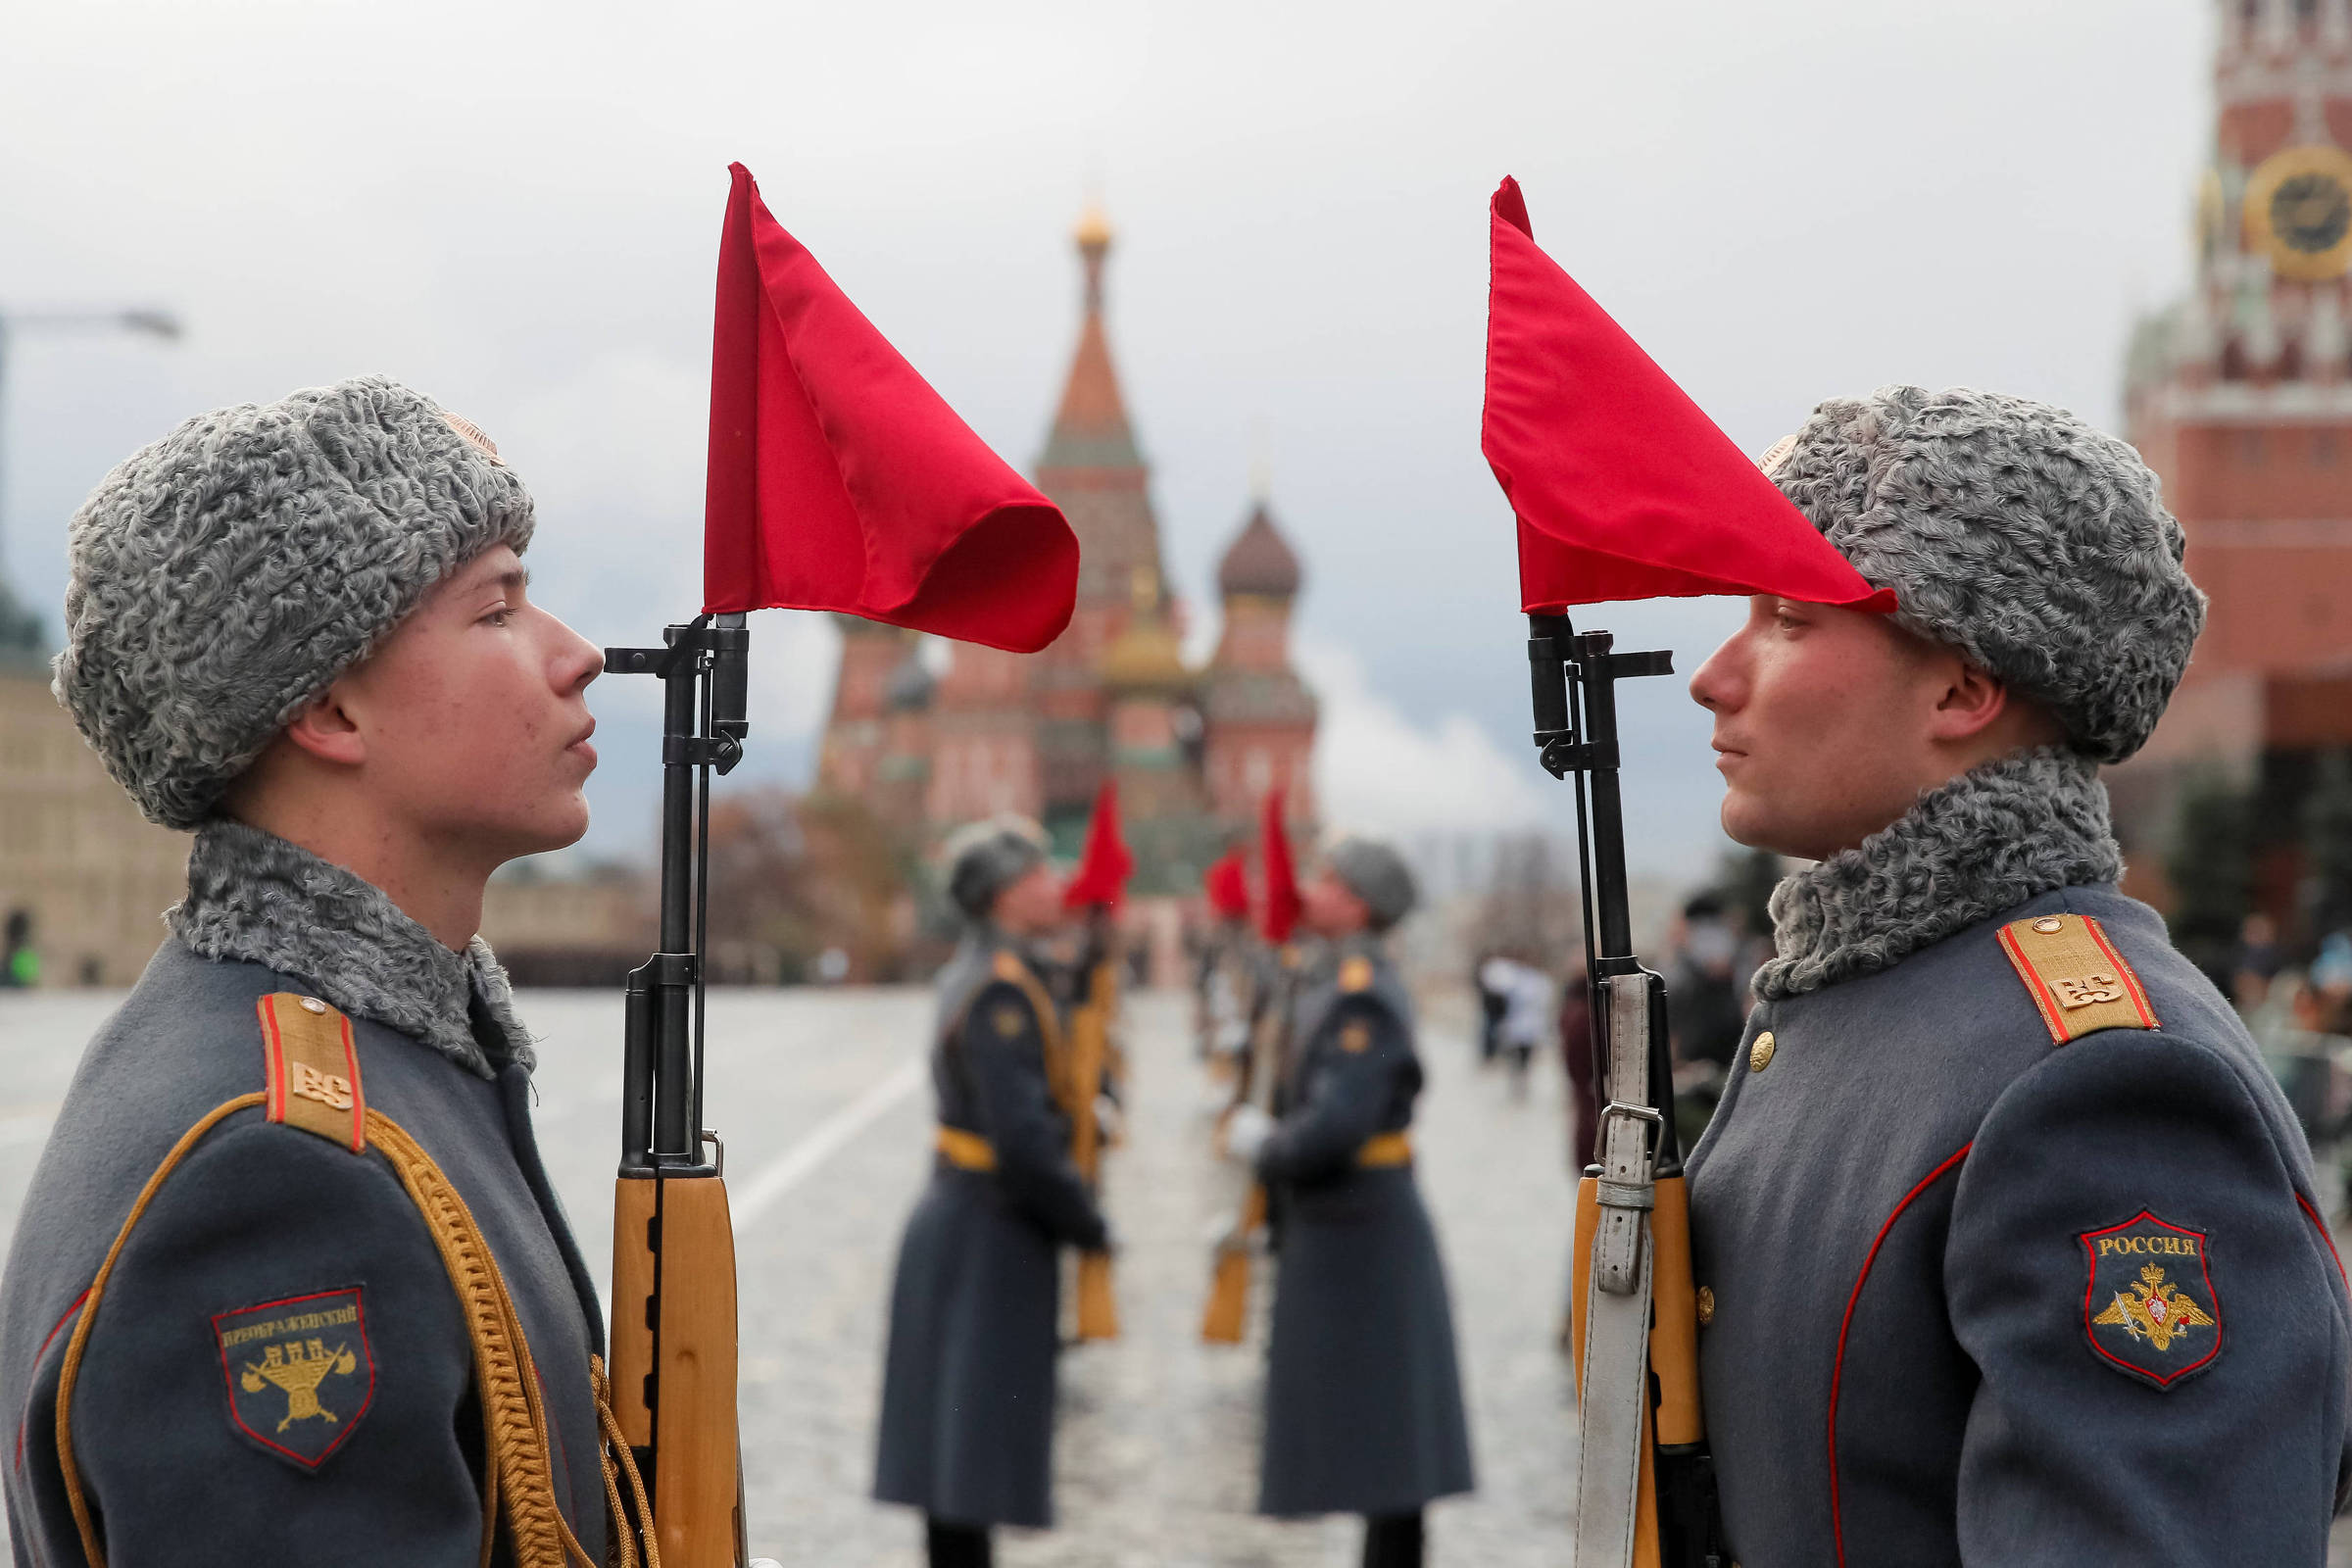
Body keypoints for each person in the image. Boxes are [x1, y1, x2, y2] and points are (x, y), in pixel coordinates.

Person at [1683, 385, 2351, 1563]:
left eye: (1786, 617)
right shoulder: (1879, 992)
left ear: (1962, 688)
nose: (1716, 677)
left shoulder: (2097, 1082)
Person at [0, 377, 617, 1563]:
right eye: (497, 611)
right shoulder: (280, 1173)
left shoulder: (363, 1057)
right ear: (330, 706)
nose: (575, 655)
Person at [1226, 837, 1473, 1568]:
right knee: (1382, 1435)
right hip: (1347, 1226)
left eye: (1329, 880)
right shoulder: (1336, 975)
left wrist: (1265, 1145)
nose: (1312, 888)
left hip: (1364, 1229)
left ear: (1359, 903)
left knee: (1392, 1438)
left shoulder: (1360, 986)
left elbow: (1338, 1123)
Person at [874, 816, 1113, 1568]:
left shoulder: (981, 970)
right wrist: (1087, 1223)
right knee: (968, 1462)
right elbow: (1024, 1144)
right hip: (990, 1231)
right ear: (1005, 894)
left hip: (966, 1219)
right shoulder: (1003, 990)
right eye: (1039, 873)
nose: (1055, 884)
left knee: (958, 1464)